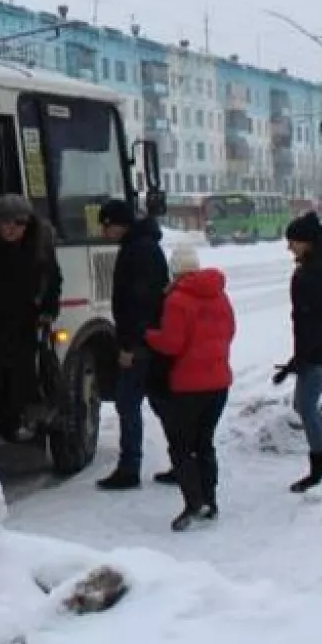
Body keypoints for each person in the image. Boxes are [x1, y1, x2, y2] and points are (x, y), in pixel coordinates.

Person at [144, 245, 236, 531]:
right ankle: (210, 500)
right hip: (219, 383)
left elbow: (171, 343)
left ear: (175, 271)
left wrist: (148, 335)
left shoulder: (178, 299)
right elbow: (230, 331)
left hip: (187, 387)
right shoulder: (220, 294)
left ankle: (193, 502)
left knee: (182, 447)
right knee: (205, 444)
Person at [272, 211, 322, 492]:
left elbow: (314, 318)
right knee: (305, 405)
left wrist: (302, 357)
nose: (289, 247)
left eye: (292, 241)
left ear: (306, 241)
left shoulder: (314, 271)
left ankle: (321, 465)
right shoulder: (321, 264)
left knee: (305, 406)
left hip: (318, 348)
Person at [0, 194, 63, 443]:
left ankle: (13, 422)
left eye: (19, 223)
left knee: (20, 372)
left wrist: (47, 311)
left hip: (25, 318)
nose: (12, 229)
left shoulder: (38, 247)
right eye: (6, 222)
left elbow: (53, 281)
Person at [94, 199, 170, 490]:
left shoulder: (138, 251)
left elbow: (138, 304)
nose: (104, 231)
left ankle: (130, 468)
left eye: (106, 225)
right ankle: (183, 459)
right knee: (159, 402)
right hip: (150, 340)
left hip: (141, 343)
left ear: (120, 223)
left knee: (128, 402)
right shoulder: (142, 245)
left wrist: (128, 345)